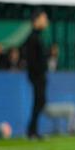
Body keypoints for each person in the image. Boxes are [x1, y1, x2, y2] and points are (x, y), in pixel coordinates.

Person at [23, 9, 49, 140]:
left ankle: (32, 130)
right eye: (44, 18)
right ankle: (31, 131)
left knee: (40, 102)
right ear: (37, 20)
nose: (46, 21)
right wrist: (37, 74)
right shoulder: (32, 38)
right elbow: (31, 60)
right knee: (39, 101)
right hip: (37, 76)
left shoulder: (37, 37)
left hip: (40, 76)